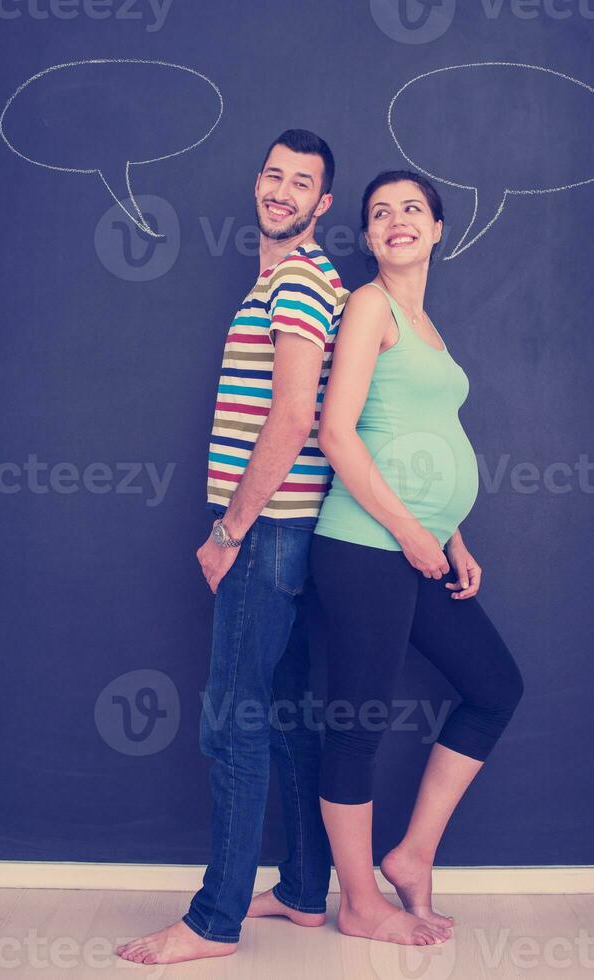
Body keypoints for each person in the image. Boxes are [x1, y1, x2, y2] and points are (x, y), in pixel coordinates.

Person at [116, 129, 350, 965]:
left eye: (302, 183)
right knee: (280, 713)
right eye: (274, 176)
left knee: (233, 725)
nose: (282, 191)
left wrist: (229, 530)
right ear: (259, 183)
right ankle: (299, 890)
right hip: (279, 532)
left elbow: (294, 418)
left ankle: (214, 920)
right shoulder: (297, 281)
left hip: (263, 534)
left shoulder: (297, 281)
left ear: (323, 204)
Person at [309, 169, 525, 947]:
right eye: (380, 213)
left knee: (495, 687)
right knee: (358, 721)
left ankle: (412, 856)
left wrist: (454, 537)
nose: (396, 220)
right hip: (365, 545)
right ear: (368, 238)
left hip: (419, 546)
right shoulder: (368, 307)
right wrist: (411, 532)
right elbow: (338, 434)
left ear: (438, 229)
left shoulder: (426, 323)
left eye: (412, 209)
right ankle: (360, 903)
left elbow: (418, 437)